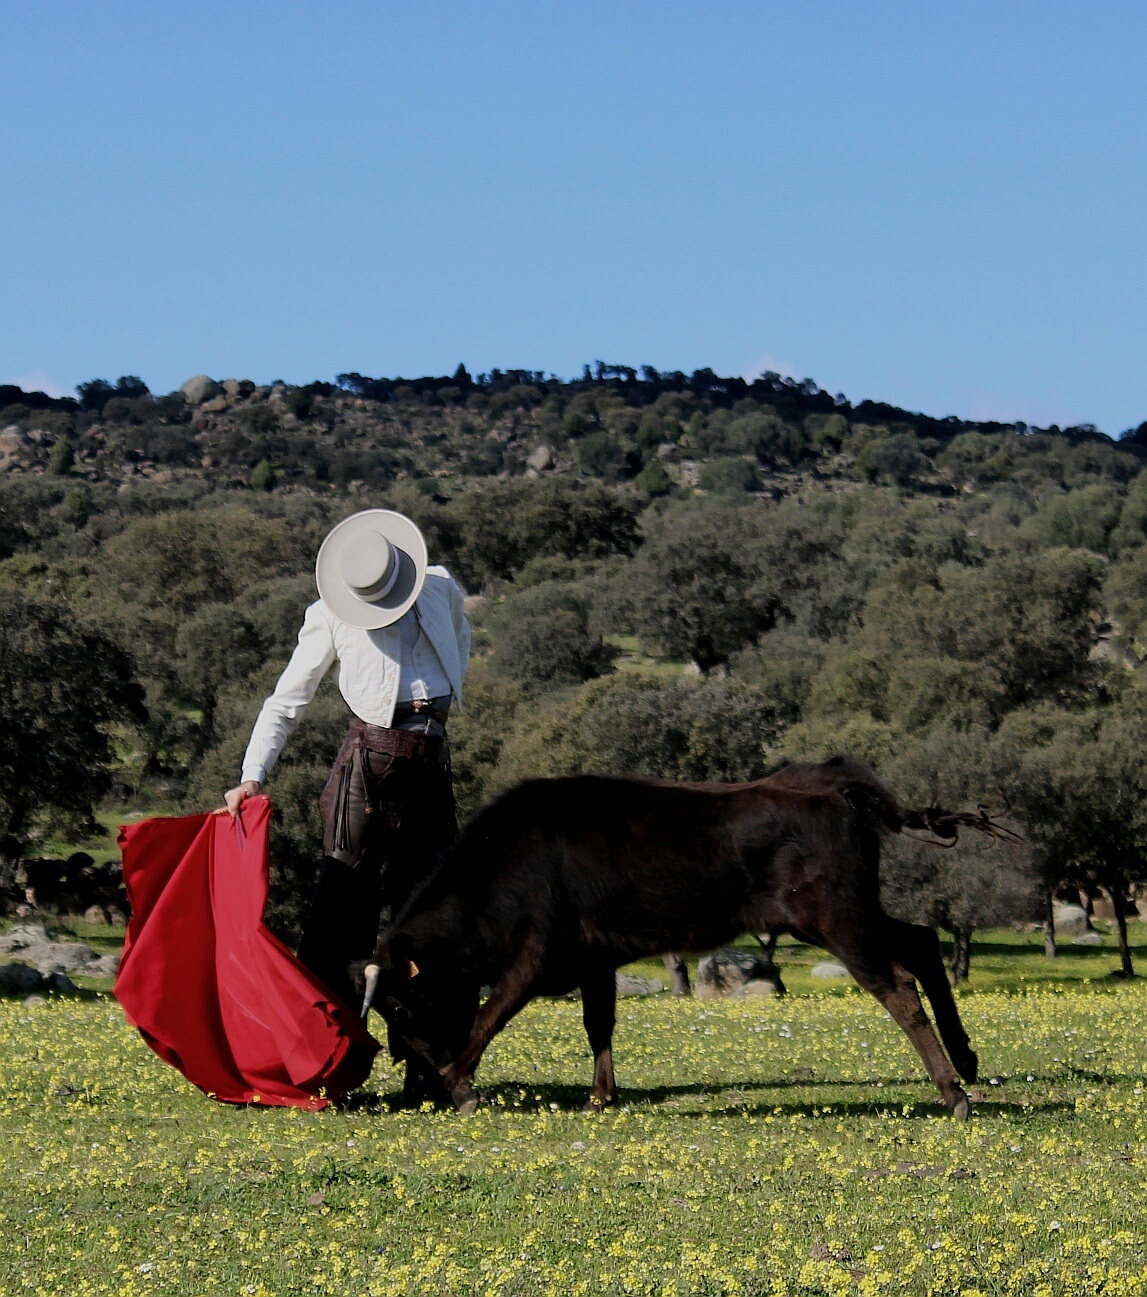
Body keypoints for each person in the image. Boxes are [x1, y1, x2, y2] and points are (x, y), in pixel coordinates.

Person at [223, 509, 470, 1008]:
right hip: (368, 768)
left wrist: (451, 692)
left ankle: (429, 1059)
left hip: (430, 762)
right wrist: (252, 775)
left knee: (429, 908)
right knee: (340, 907)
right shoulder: (331, 614)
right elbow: (286, 700)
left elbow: (461, 638)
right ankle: (326, 1054)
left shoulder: (442, 587)